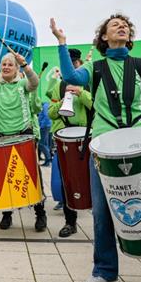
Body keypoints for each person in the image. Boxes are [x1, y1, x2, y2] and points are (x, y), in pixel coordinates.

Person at [50, 8, 141, 282]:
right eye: (115, 25)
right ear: (104, 37)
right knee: (102, 214)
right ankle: (105, 270)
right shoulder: (94, 69)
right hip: (104, 149)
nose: (122, 27)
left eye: (125, 26)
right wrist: (61, 42)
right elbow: (70, 77)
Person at [0, 53, 46, 232]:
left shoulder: (23, 84)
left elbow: (35, 82)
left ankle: (40, 213)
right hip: (2, 138)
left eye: (10, 65)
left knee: (32, 175)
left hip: (24, 135)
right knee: (7, 177)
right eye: (4, 64)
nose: (6, 67)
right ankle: (7, 214)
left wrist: (25, 65)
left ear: (16, 69)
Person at [47, 49, 93, 238]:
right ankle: (70, 222)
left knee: (92, 178)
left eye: (75, 63)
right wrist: (63, 100)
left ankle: (98, 214)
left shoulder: (90, 83)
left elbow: (97, 106)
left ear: (80, 64)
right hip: (65, 137)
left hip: (88, 136)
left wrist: (81, 93)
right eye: (70, 63)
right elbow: (51, 112)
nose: (73, 66)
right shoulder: (59, 85)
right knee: (68, 179)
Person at [37, 102, 52, 166]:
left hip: (44, 126)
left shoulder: (45, 105)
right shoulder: (45, 105)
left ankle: (48, 159)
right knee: (45, 143)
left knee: (41, 144)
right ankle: (47, 160)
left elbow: (47, 115)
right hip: (46, 126)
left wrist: (41, 125)